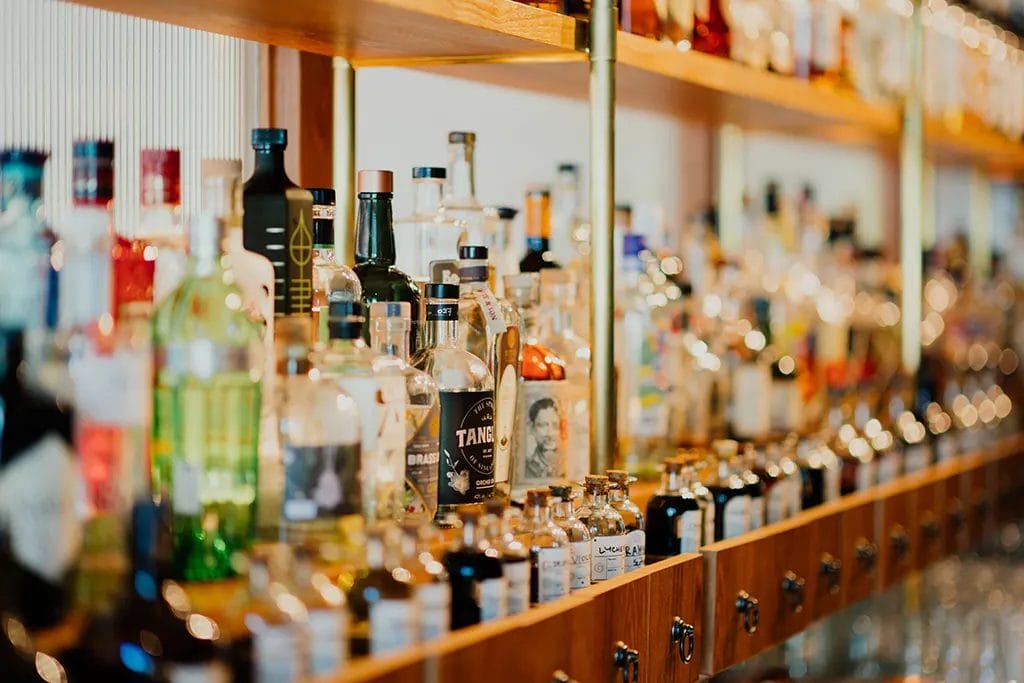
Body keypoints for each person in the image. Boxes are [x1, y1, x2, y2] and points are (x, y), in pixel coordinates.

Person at [524, 397, 563, 480]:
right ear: (531, 428)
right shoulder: (526, 468)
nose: (550, 433)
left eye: (555, 426)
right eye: (542, 425)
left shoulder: (569, 467)